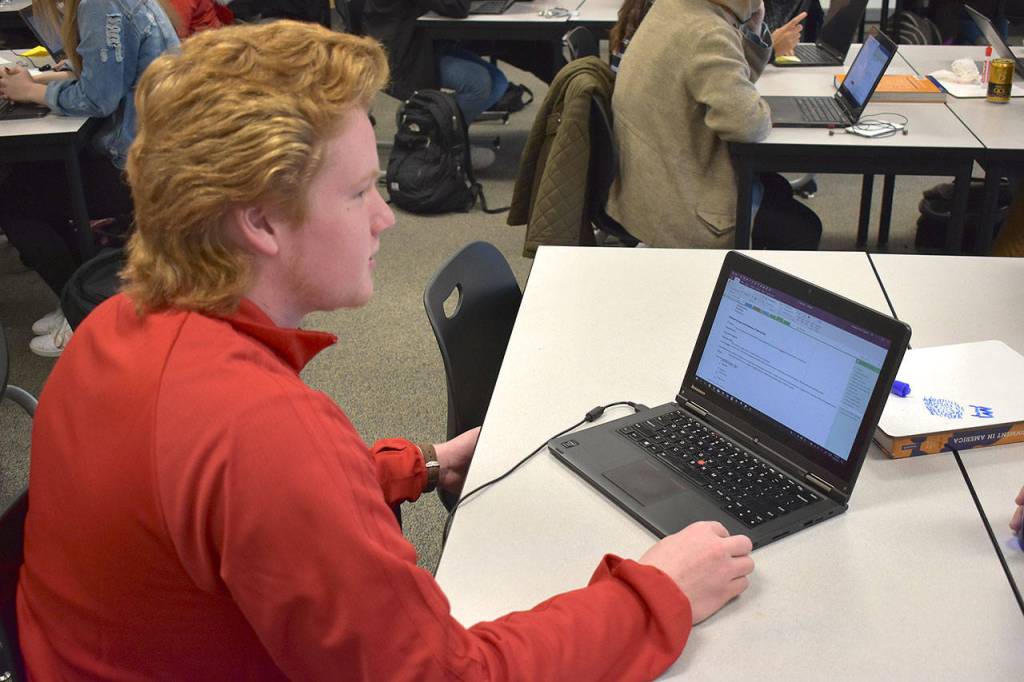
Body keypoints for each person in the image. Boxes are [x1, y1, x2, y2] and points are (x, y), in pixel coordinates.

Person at [17, 21, 755, 679]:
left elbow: (229, 504)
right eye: (359, 191)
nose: (386, 219)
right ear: (262, 223)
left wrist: (418, 465)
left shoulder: (116, 329)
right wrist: (660, 593)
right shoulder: (262, 431)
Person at [0, 0, 179, 357]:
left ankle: (83, 308)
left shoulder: (100, 4)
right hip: (148, 151)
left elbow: (99, 98)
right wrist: (38, 80)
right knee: (25, 185)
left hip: (139, 165)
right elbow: (103, 68)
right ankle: (76, 297)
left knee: (17, 203)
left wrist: (33, 92)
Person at [607, 0, 821, 249]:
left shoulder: (675, 7)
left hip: (644, 186)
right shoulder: (708, 32)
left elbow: (734, 77)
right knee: (805, 228)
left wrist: (752, 29)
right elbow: (748, 125)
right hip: (681, 203)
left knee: (778, 189)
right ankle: (748, 286)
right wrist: (762, 109)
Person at [363, 0, 508, 125]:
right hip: (401, 54)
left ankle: (429, 117)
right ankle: (433, 136)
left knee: (498, 81)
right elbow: (458, 7)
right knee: (478, 83)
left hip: (423, 40)